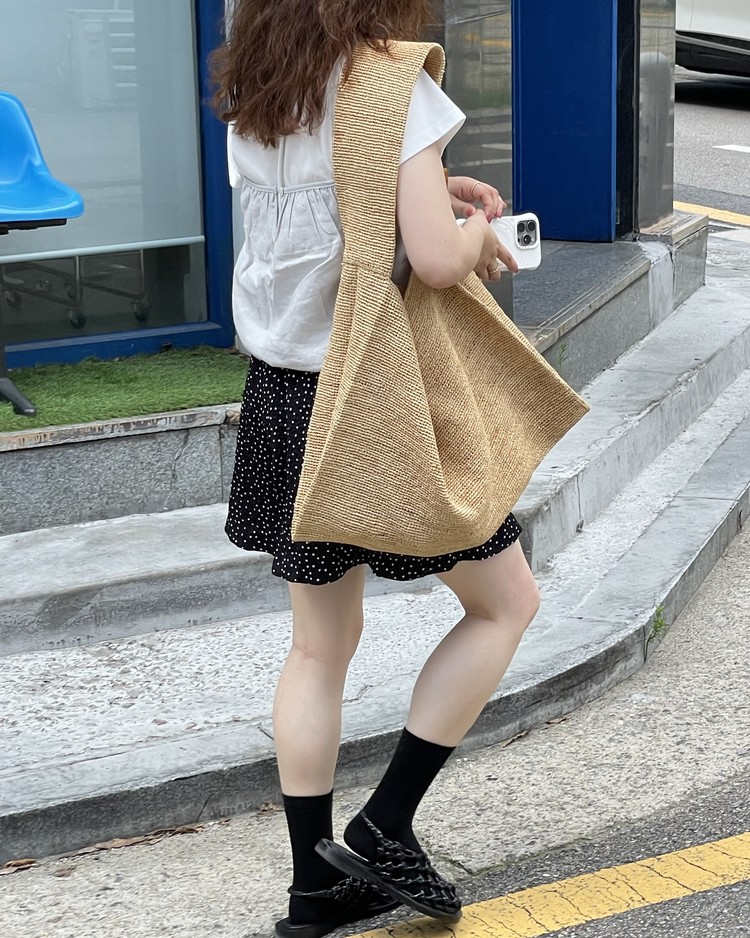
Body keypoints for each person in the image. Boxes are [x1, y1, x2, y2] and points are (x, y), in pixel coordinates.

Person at [211, 2, 539, 936]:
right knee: (506, 603)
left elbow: (328, 220)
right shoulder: (394, 83)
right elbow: (434, 261)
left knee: (318, 649)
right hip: (371, 398)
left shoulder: (259, 89)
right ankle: (386, 823)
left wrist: (428, 188)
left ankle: (313, 889)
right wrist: (480, 238)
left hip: (283, 394)